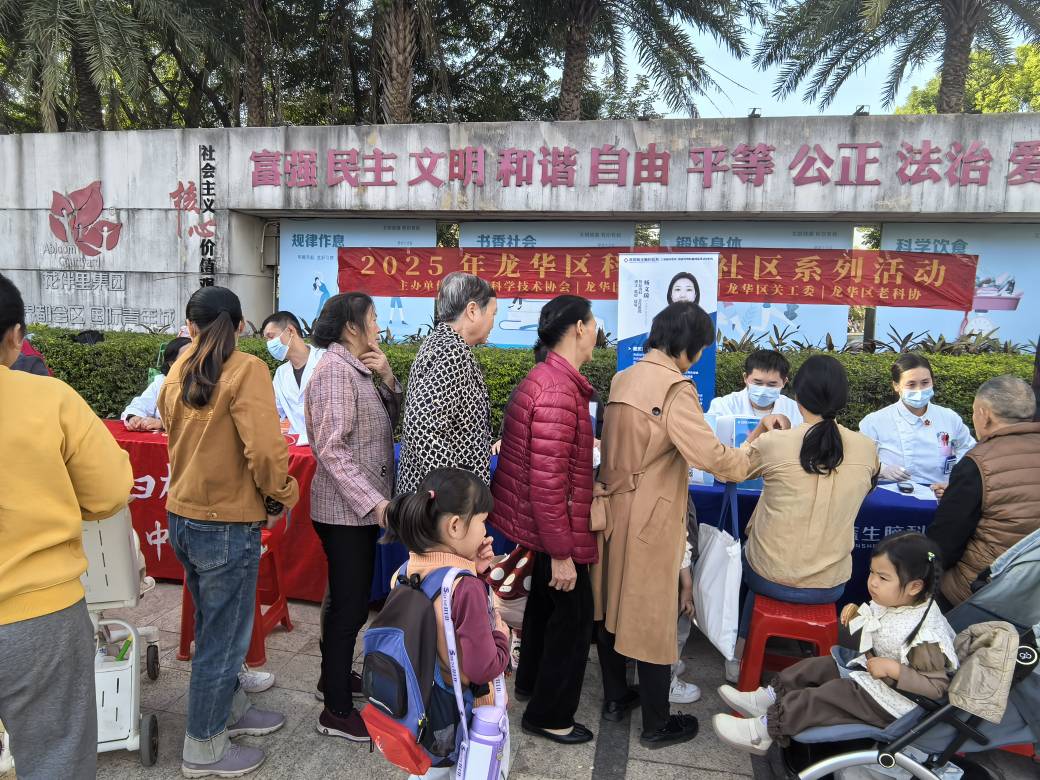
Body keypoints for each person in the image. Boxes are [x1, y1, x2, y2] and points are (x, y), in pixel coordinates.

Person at [592, 301, 784, 749]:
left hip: (612, 510)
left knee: (611, 607)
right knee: (653, 618)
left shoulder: (624, 378)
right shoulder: (676, 389)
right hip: (651, 516)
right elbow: (717, 460)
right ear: (689, 347)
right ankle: (657, 724)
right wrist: (759, 444)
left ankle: (616, 698)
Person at [158, 286, 300, 778]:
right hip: (226, 525)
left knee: (214, 629)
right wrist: (281, 495)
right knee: (222, 640)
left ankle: (232, 713)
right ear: (240, 326)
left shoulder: (179, 367)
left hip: (183, 516)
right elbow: (266, 452)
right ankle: (204, 746)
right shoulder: (246, 369)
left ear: (190, 327)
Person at [0, 273, 133, 780]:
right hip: (37, 616)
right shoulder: (47, 398)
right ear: (16, 335)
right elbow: (109, 491)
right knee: (54, 757)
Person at [713, 532, 957, 756]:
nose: (873, 582)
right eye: (872, 573)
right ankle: (766, 698)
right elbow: (881, 628)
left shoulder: (924, 638)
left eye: (883, 577)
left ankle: (762, 731)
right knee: (818, 666)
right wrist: (858, 616)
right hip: (872, 676)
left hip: (892, 704)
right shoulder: (899, 601)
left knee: (825, 697)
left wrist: (894, 669)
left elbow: (936, 687)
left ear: (915, 586)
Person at [490, 296, 599, 745]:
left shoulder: (550, 379)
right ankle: (550, 715)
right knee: (574, 618)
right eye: (593, 321)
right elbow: (549, 481)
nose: (597, 329)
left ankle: (532, 684)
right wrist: (561, 553)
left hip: (543, 525)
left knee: (544, 606)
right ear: (579, 328)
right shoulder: (557, 390)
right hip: (556, 528)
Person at [305, 292, 402, 742]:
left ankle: (335, 677)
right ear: (351, 327)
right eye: (373, 318)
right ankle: (336, 711)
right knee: (349, 608)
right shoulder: (334, 371)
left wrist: (388, 377)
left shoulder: (355, 368)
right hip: (344, 511)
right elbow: (332, 450)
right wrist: (375, 503)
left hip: (355, 510)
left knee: (349, 601)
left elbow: (384, 424)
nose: (378, 326)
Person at [738, 355, 879, 638]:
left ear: (797, 397)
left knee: (747, 554)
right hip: (830, 583)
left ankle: (743, 646)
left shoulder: (774, 442)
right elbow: (869, 488)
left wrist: (760, 429)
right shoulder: (867, 448)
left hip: (768, 576)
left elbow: (731, 471)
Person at [384, 468, 509, 780]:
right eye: (482, 521)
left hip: (419, 706)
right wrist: (501, 636)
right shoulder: (466, 589)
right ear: (455, 526)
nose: (485, 531)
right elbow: (482, 668)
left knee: (428, 771)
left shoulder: (403, 572)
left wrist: (472, 567)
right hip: (463, 713)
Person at [927, 375, 1040, 608]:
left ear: (984, 415)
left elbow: (945, 544)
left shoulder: (978, 462)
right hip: (1033, 589)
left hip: (984, 589)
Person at [397, 272, 498, 494]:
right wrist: (455, 488)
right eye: (492, 314)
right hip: (440, 501)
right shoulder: (452, 351)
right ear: (472, 311)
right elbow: (421, 426)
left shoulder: (441, 341)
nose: (493, 322)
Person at [859, 354, 974, 496]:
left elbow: (968, 450)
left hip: (939, 496)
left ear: (932, 381)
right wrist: (881, 469)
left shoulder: (949, 418)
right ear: (896, 386)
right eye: (911, 384)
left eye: (925, 382)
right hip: (889, 497)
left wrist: (954, 481)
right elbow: (858, 460)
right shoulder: (875, 421)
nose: (919, 390)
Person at [261, 311, 325, 445]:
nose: (269, 344)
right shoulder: (281, 373)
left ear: (290, 330)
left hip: (326, 444)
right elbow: (273, 411)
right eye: (266, 339)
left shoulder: (325, 359)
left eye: (271, 337)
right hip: (296, 446)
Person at [707, 349, 804, 426]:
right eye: (758, 383)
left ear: (784, 382)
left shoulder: (796, 410)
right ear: (745, 378)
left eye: (772, 384)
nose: (763, 390)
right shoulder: (724, 406)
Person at [121, 337, 192, 431]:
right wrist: (134, 417)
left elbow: (199, 421)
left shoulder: (205, 384)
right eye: (188, 358)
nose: (194, 361)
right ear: (172, 363)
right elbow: (141, 404)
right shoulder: (161, 382)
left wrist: (163, 424)